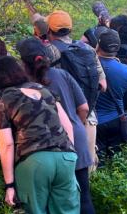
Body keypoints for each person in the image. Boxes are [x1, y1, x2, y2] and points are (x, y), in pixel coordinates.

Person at [0, 56, 80, 214]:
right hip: (66, 157)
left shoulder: (0, 98)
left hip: (34, 161)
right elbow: (69, 126)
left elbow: (7, 144)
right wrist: (70, 156)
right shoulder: (43, 90)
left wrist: (9, 185)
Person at [17, 38, 101, 214]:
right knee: (83, 198)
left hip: (43, 148)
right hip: (75, 140)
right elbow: (83, 107)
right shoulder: (62, 75)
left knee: (46, 206)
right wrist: (76, 124)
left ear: (22, 62)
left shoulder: (22, 85)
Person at [44, 10, 107, 175]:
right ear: (70, 30)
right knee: (86, 173)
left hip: (59, 121)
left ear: (48, 30)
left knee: (63, 175)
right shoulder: (88, 49)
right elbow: (103, 85)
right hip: (88, 117)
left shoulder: (46, 52)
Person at [94, 29, 127, 163]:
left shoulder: (88, 67)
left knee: (97, 162)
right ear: (117, 48)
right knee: (115, 162)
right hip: (117, 120)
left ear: (98, 46)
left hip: (95, 123)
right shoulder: (126, 70)